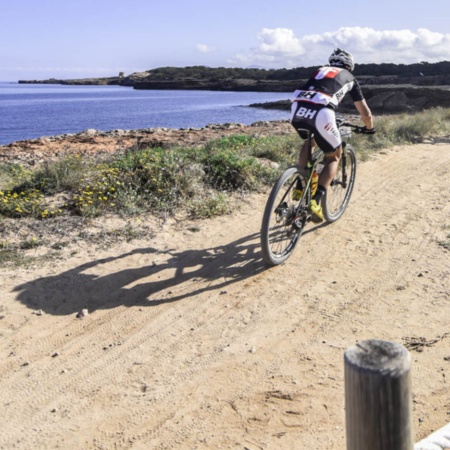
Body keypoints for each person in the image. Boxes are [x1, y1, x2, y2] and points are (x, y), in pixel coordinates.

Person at [290, 48, 375, 222]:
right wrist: (369, 128)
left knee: (310, 141)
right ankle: (316, 201)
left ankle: (300, 183)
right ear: (349, 66)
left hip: (297, 109)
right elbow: (365, 113)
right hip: (322, 112)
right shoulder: (350, 77)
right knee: (334, 157)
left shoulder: (320, 71)